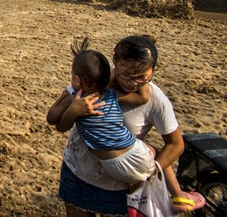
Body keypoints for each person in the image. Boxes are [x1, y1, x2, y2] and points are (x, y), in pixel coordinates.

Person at [53, 35, 205, 216]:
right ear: (115, 63)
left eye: (142, 77)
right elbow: (60, 125)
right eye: (126, 74)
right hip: (78, 173)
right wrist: (74, 110)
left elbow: (175, 144)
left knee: (151, 150)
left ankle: (178, 194)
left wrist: (148, 173)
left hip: (120, 188)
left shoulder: (156, 100)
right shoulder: (93, 80)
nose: (132, 82)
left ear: (153, 71)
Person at [47, 39, 155, 189]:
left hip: (114, 166)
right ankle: (176, 193)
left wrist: (66, 100)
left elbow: (53, 120)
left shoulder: (76, 99)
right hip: (137, 155)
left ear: (77, 80)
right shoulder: (111, 94)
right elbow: (143, 97)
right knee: (156, 151)